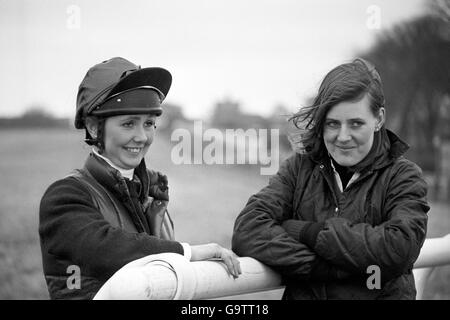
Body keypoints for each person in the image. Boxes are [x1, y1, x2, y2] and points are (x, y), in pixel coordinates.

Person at [39, 57, 241, 300]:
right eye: (128, 124)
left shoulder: (151, 194)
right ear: (93, 128)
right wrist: (188, 252)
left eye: (149, 123)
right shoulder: (64, 196)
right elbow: (108, 249)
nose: (142, 136)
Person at [232, 58, 429, 299]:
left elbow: (398, 248)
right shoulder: (299, 168)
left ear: (378, 119)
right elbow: (248, 231)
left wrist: (310, 233)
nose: (343, 137)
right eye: (333, 124)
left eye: (356, 124)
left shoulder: (403, 176)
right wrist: (326, 268)